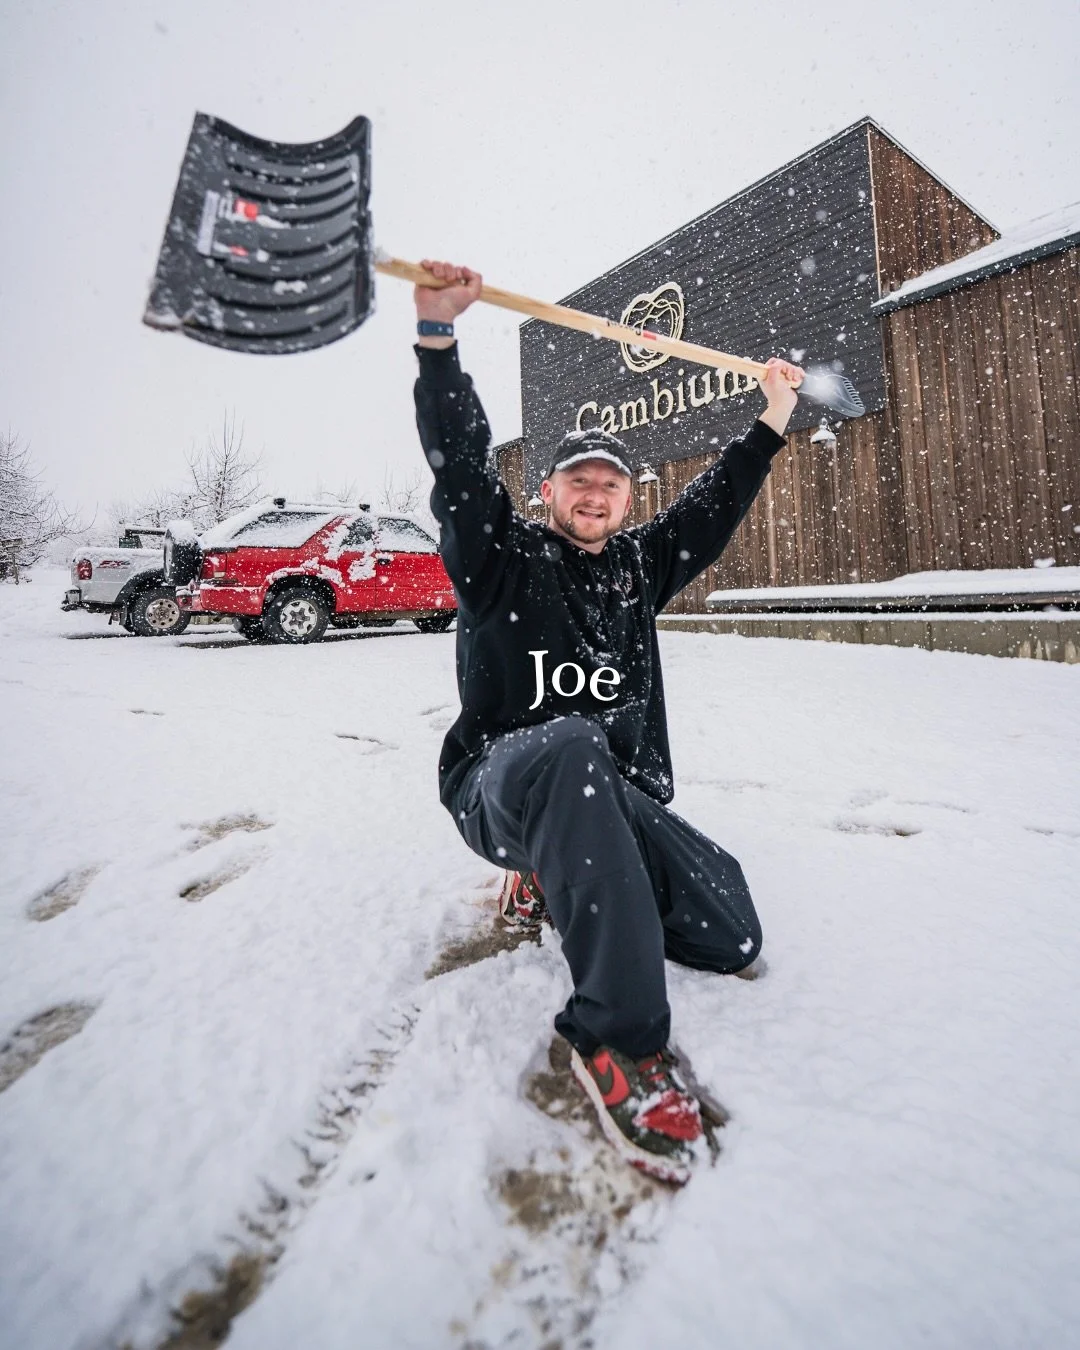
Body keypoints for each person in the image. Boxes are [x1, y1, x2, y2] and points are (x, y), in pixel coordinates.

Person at [412, 259, 803, 1184]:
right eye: (576, 481)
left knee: (731, 933)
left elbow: (719, 502)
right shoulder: (501, 558)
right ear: (547, 489)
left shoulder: (638, 567)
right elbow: (464, 472)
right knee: (575, 745)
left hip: (609, 800)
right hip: (502, 785)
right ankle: (619, 1043)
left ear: (628, 500)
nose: (594, 495)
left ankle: (560, 881)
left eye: (611, 485)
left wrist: (774, 411)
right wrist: (439, 344)